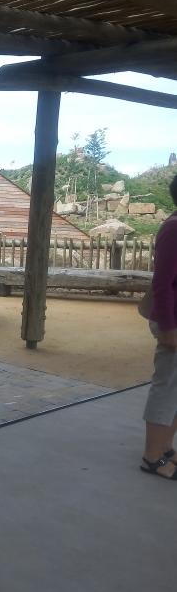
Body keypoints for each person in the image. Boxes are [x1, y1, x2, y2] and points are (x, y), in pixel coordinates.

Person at [141, 173, 177, 479]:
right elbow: (163, 284)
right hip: (173, 322)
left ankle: (165, 447)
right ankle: (152, 457)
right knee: (166, 387)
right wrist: (168, 328)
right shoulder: (173, 229)